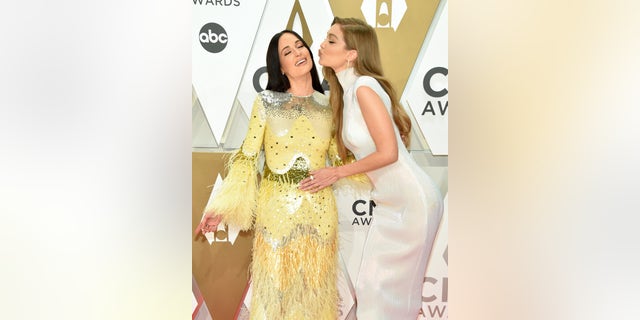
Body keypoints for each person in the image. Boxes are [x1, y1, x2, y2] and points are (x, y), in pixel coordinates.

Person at [299, 17, 444, 319]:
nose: (320, 45)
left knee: (384, 291)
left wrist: (335, 173)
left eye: (331, 40)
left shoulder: (365, 87)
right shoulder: (348, 94)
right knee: (370, 287)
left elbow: (389, 152)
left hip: (411, 202)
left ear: (352, 53)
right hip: (389, 203)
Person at [195, 30, 340, 320]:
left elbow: (340, 159)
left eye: (300, 46)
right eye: (288, 52)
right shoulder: (266, 102)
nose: (299, 53)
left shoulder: (331, 106)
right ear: (280, 68)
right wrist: (221, 208)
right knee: (272, 296)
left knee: (314, 296)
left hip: (321, 215)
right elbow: (248, 158)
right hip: (275, 214)